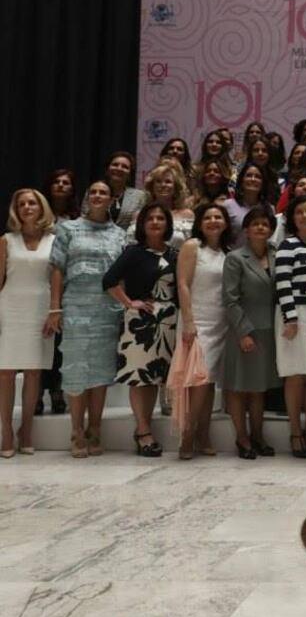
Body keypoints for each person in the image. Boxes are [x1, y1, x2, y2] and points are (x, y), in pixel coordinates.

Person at [48, 180, 128, 457]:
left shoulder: (120, 234)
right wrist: (55, 307)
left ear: (111, 199)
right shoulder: (68, 228)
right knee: (75, 367)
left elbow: (122, 276)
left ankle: (95, 428)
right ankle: (76, 430)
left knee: (101, 371)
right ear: (86, 198)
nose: (97, 195)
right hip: (76, 308)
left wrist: (125, 308)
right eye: (92, 191)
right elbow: (57, 268)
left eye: (102, 193)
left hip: (107, 309)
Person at [103, 202, 179, 458]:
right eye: (150, 219)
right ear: (142, 225)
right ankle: (143, 431)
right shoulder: (133, 252)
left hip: (168, 322)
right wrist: (128, 302)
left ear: (168, 224)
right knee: (140, 377)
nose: (156, 222)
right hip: (140, 323)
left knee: (156, 378)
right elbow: (109, 281)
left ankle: (145, 427)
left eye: (160, 218)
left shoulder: (174, 254)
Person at [222, 206, 280, 460]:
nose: (260, 228)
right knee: (238, 387)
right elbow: (230, 299)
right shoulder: (235, 258)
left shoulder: (277, 254)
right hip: (243, 330)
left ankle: (257, 436)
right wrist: (243, 332)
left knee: (259, 389)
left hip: (270, 331)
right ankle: (242, 438)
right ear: (246, 230)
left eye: (265, 224)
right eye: (255, 224)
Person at [0, 189, 56, 457]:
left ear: (41, 207)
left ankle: (27, 430)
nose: (26, 207)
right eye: (21, 203)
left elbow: (57, 279)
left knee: (34, 372)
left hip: (41, 309)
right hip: (10, 308)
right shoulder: (6, 240)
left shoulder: (55, 240)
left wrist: (56, 311)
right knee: (6, 372)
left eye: (32, 202)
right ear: (16, 210)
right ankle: (7, 432)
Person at [173, 203, 231, 458]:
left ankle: (203, 434)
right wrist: (188, 321)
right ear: (200, 222)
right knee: (198, 380)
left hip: (221, 323)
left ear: (226, 223)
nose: (213, 221)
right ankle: (187, 434)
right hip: (197, 322)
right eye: (208, 217)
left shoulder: (227, 252)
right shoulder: (192, 246)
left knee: (208, 383)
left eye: (218, 217)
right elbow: (183, 284)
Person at [274, 196, 306, 458]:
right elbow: (283, 282)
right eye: (300, 212)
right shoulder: (287, 246)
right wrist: (290, 317)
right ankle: (295, 432)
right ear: (293, 218)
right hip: (294, 316)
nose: (305, 216)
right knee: (295, 376)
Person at [102, 151, 147, 227]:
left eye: (125, 167)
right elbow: (86, 218)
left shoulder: (140, 196)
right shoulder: (95, 191)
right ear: (107, 169)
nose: (119, 168)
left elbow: (141, 225)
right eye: (115, 165)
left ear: (130, 173)